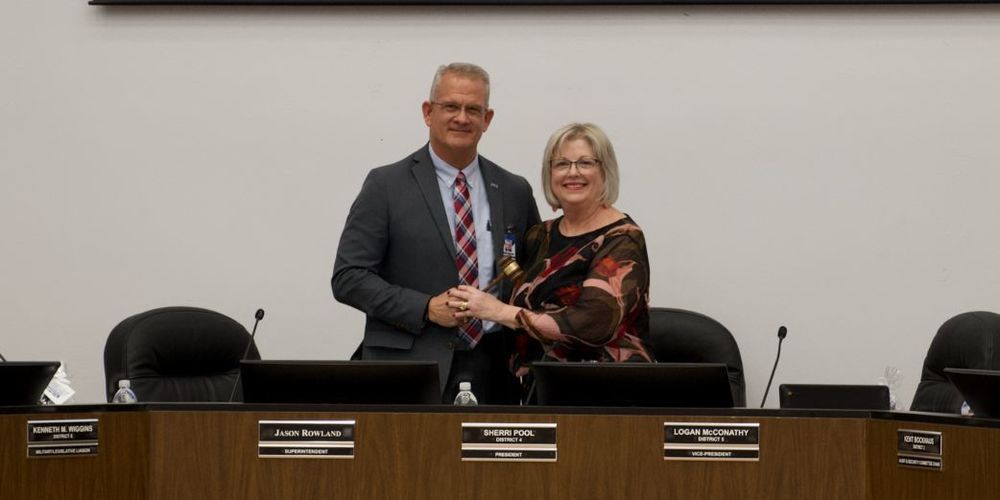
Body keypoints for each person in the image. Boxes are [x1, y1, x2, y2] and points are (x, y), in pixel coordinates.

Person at [331, 63, 541, 404]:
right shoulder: (385, 185)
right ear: (428, 112)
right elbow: (348, 277)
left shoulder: (514, 190)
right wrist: (425, 307)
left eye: (473, 109)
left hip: (494, 367)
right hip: (409, 369)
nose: (462, 118)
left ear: (487, 119)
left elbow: (532, 277)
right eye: (450, 107)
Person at [448, 122, 653, 384]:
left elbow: (593, 323)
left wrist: (500, 312)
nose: (573, 173)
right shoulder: (539, 235)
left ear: (606, 171)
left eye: (586, 163)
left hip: (609, 393)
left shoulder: (623, 238)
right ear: (550, 174)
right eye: (562, 164)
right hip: (544, 389)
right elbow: (521, 296)